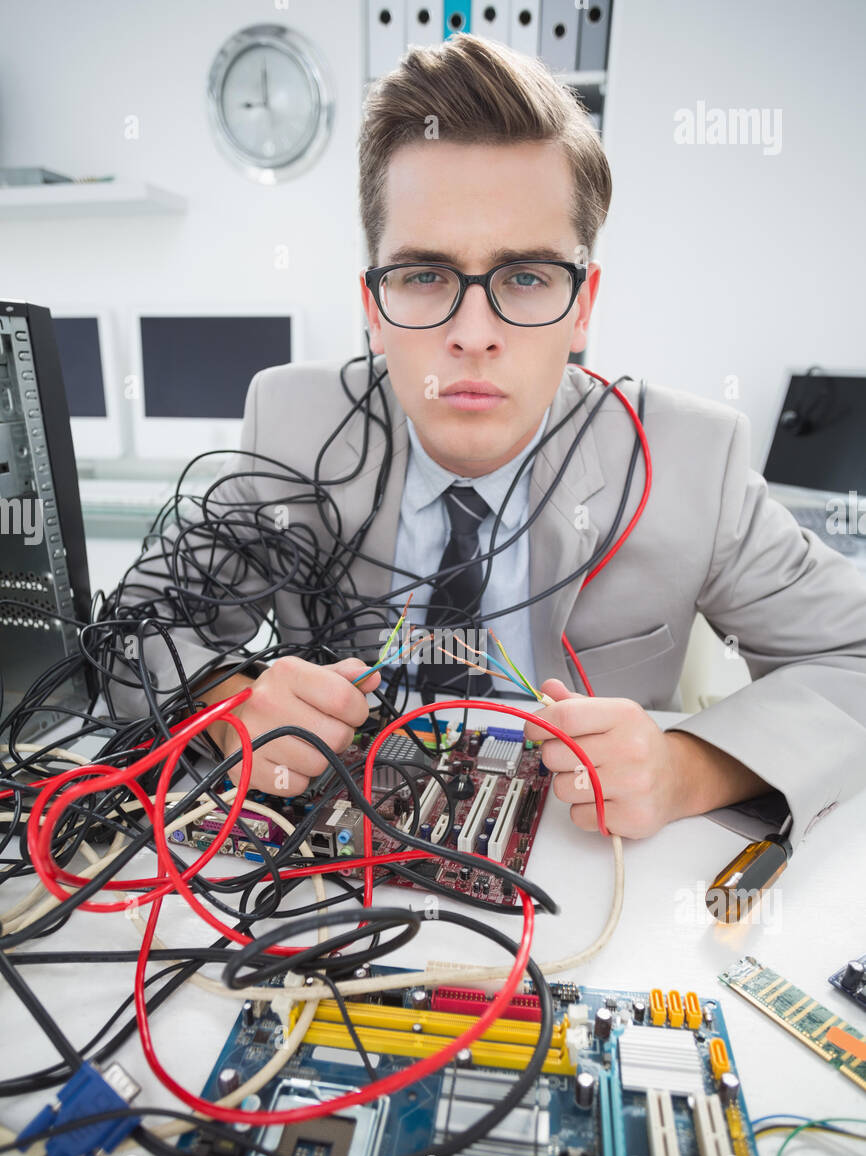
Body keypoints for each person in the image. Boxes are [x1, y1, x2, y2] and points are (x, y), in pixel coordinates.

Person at [110, 34, 866, 847]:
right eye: (427, 275)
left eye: (527, 278)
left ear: (583, 308)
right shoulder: (294, 423)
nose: (474, 335)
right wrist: (224, 703)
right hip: (327, 867)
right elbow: (131, 626)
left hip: (579, 877)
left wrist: (690, 767)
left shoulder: (688, 459)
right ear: (373, 303)